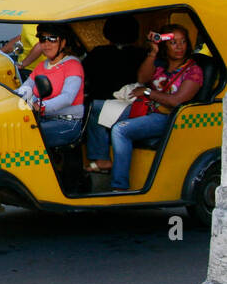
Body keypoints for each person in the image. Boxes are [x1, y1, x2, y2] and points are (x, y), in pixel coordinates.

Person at [85, 24, 203, 190]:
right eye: (173, 43)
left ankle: (119, 187)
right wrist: (153, 52)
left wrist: (148, 93)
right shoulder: (161, 64)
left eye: (183, 42)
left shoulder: (193, 70)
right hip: (146, 109)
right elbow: (142, 77)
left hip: (167, 116)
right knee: (95, 107)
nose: (179, 47)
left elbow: (177, 101)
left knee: (120, 130)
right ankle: (101, 158)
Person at [13, 23, 85, 148]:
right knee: (12, 128)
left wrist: (42, 107)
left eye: (52, 39)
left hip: (67, 123)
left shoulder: (73, 65)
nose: (46, 44)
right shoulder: (41, 66)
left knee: (25, 135)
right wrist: (10, 97)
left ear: (63, 42)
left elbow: (68, 97)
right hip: (44, 119)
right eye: (42, 39)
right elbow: (26, 87)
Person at [81, 14, 145, 102]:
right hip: (129, 102)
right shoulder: (142, 54)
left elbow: (83, 75)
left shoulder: (98, 52)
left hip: (100, 101)